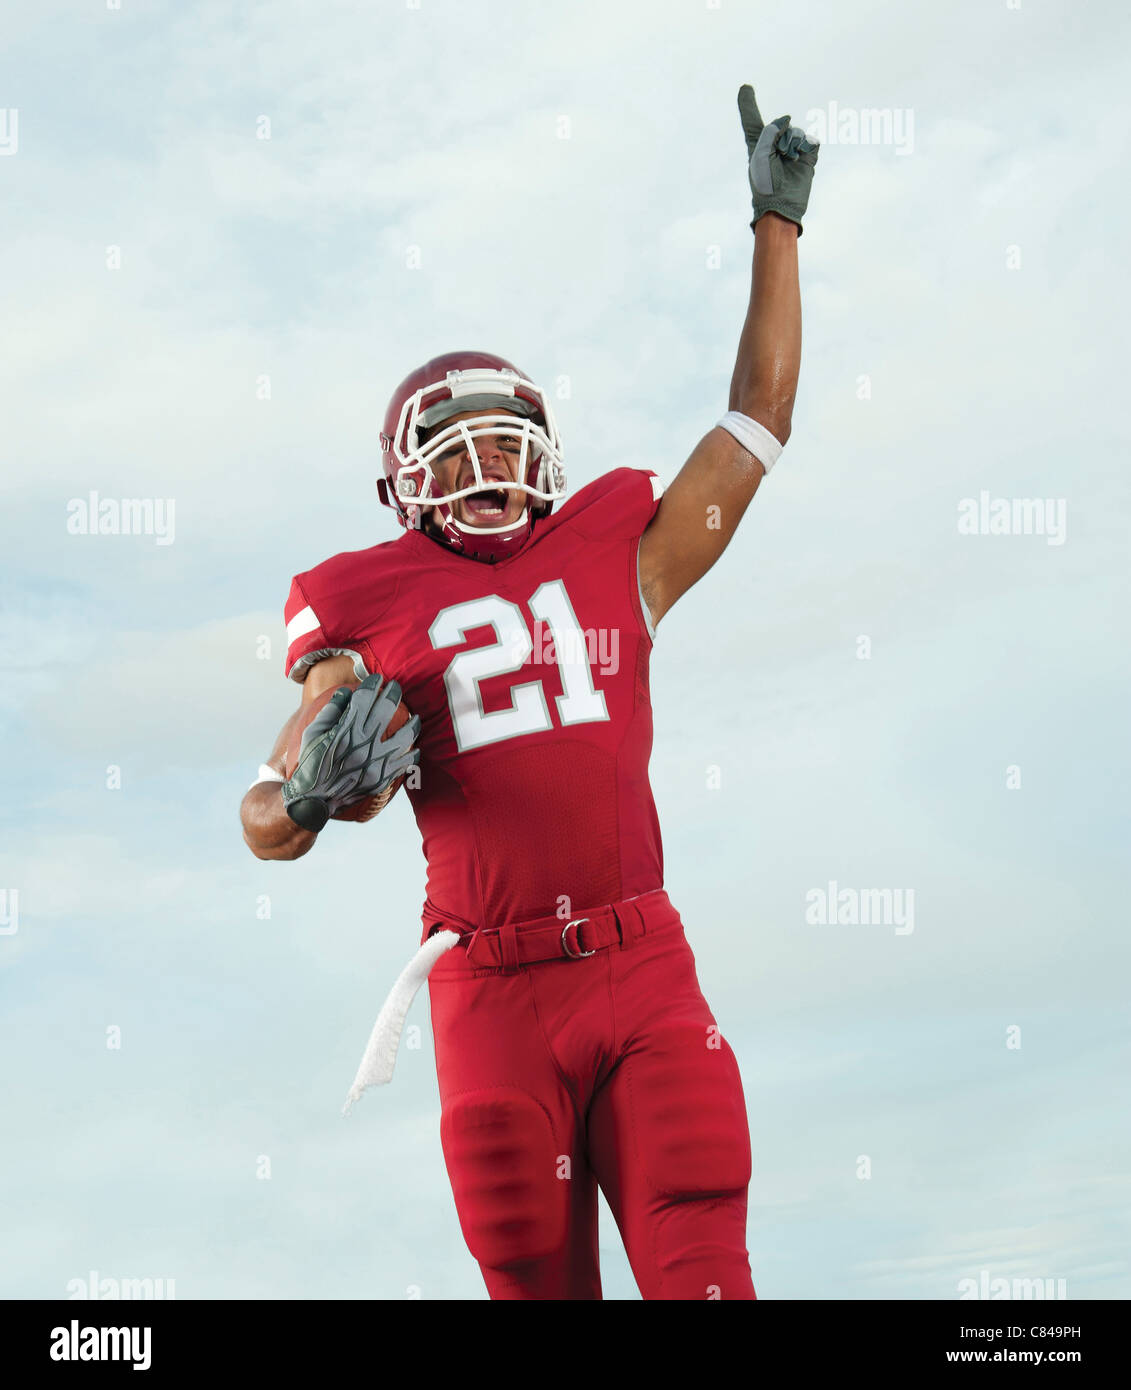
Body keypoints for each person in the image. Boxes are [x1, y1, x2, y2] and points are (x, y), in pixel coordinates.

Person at [241, 85, 818, 1300]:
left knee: (705, 1256)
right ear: (406, 486)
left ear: (545, 458)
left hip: (640, 959)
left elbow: (758, 421)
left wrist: (777, 226)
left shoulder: (624, 547)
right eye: (454, 452)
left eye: (506, 442)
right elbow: (266, 815)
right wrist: (306, 792)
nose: (487, 465)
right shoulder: (364, 602)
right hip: (492, 989)